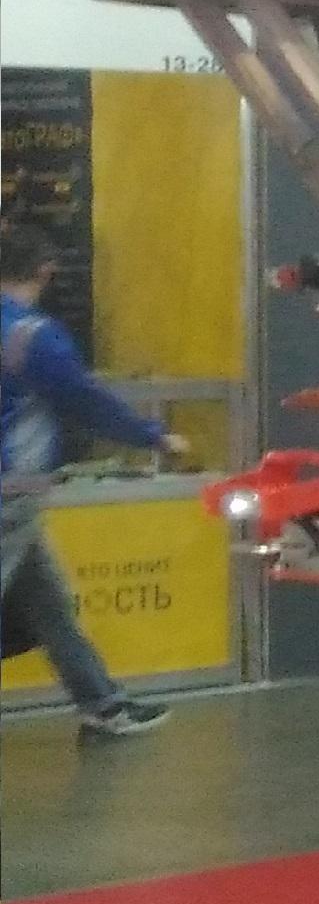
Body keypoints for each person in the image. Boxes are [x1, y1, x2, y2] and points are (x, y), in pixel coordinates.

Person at [1, 224, 188, 736]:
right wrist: (155, 437)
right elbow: (87, 402)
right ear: (46, 271)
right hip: (9, 494)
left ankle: (102, 703)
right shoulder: (31, 336)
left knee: (49, 605)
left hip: (15, 503)